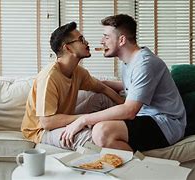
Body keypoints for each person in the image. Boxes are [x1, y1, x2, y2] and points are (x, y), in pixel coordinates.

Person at [61, 14, 186, 152]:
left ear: (121, 40)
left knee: (102, 131)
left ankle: (138, 169)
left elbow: (130, 110)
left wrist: (83, 120)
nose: (102, 41)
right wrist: (98, 84)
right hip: (145, 118)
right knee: (97, 109)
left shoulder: (145, 63)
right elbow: (133, 86)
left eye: (106, 37)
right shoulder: (128, 61)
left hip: (166, 123)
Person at [21, 22, 124, 151]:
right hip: (40, 130)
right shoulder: (49, 77)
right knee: (91, 138)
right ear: (68, 48)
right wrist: (86, 120)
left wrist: (127, 107)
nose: (87, 43)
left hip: (62, 119)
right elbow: (47, 122)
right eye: (81, 40)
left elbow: (102, 88)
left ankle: (128, 127)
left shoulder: (78, 72)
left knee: (101, 98)